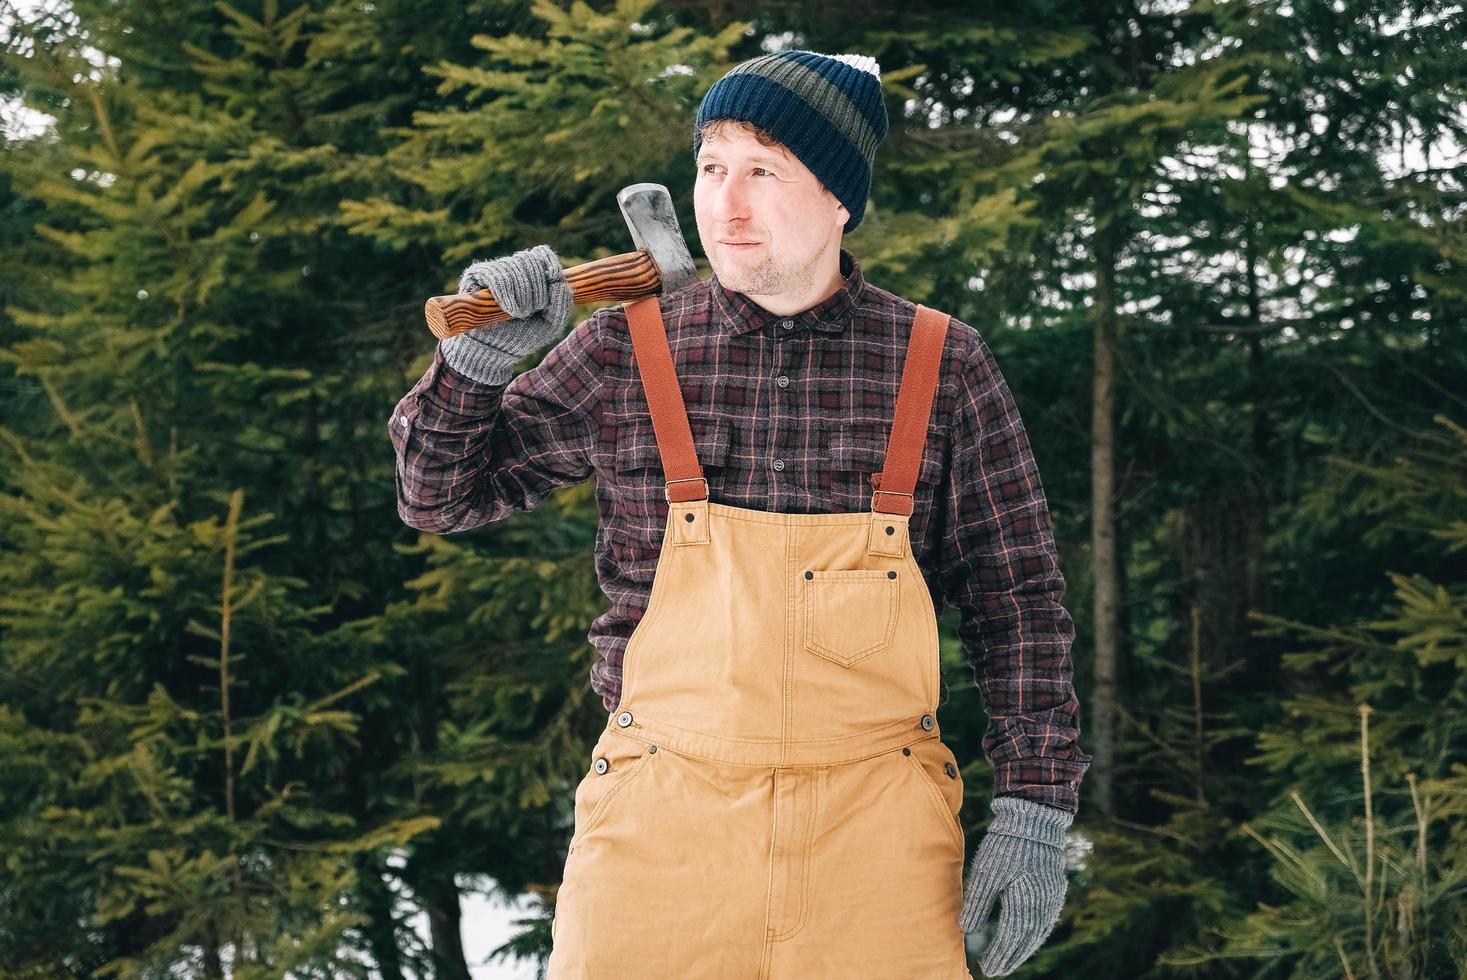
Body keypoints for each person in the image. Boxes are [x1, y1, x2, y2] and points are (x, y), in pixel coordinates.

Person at [389, 49, 1092, 979]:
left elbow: (1018, 607)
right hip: (657, 833)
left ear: (839, 198)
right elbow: (440, 496)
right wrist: (480, 364)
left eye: (764, 170)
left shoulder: (941, 364)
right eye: (711, 166)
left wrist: (1034, 818)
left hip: (874, 839)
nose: (726, 203)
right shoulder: (624, 349)